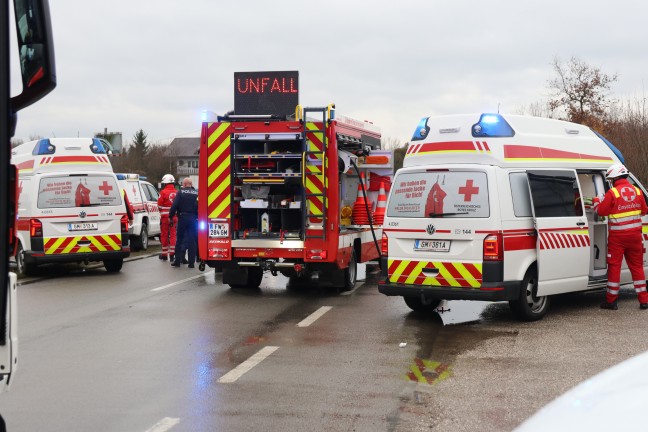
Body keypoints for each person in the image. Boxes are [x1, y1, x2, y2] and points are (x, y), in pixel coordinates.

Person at [593, 163, 648, 310]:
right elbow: (644, 210)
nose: (610, 181)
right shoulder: (637, 191)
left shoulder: (613, 193)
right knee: (637, 268)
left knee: (614, 267)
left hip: (618, 238)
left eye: (611, 179)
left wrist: (597, 201)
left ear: (615, 177)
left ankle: (611, 301)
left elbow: (602, 212)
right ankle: (644, 300)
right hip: (636, 236)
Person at [169, 177, 198, 268]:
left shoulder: (180, 192)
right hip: (193, 218)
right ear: (191, 184)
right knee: (192, 240)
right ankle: (191, 263)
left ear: (184, 184)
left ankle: (177, 261)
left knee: (180, 239)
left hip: (182, 217)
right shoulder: (196, 194)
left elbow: (174, 206)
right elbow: (199, 206)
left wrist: (170, 216)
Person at [157, 174, 178, 261]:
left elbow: (159, 205)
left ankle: (164, 254)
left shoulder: (163, 192)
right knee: (173, 234)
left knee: (164, 234)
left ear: (165, 183)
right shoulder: (177, 192)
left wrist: (162, 212)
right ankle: (172, 254)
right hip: (175, 217)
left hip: (165, 217)